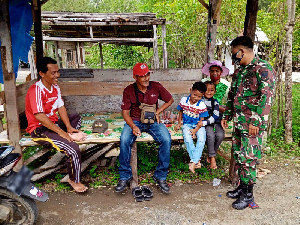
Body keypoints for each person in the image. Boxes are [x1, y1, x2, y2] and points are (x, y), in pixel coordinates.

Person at [221, 36, 276, 210]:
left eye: (234, 53)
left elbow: (266, 97)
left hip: (252, 124)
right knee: (239, 155)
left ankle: (248, 195)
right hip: (239, 122)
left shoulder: (263, 68)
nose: (233, 57)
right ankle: (242, 187)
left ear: (242, 51)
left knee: (249, 158)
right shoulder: (240, 70)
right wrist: (227, 114)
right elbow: (232, 95)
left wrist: (256, 121)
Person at [25, 57, 87, 193]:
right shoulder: (36, 90)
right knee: (73, 149)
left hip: (53, 124)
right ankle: (74, 179)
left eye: (57, 72)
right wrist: (62, 133)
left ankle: (70, 134)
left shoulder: (55, 87)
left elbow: (61, 107)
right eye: (53, 73)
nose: (57, 75)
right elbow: (39, 116)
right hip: (39, 129)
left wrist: (69, 127)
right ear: (42, 73)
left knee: (75, 117)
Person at [116, 63, 174, 193]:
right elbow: (125, 113)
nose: (146, 78)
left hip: (153, 120)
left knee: (166, 139)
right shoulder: (128, 90)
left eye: (148, 74)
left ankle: (161, 176)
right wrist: (133, 126)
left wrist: (158, 112)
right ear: (135, 77)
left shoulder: (156, 86)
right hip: (135, 120)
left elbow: (170, 100)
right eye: (142, 76)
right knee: (124, 139)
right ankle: (125, 176)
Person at [175, 81, 209, 173]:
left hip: (198, 126)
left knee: (202, 139)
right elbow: (180, 111)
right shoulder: (183, 100)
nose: (196, 98)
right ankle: (196, 161)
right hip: (186, 124)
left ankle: (193, 162)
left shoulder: (201, 105)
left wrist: (195, 130)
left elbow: (201, 121)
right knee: (187, 138)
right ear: (190, 91)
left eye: (199, 96)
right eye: (195, 95)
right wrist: (179, 123)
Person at [198, 81, 224, 169]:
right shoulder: (200, 101)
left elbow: (216, 116)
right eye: (206, 90)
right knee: (210, 135)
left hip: (214, 121)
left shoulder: (215, 102)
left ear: (215, 92)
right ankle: (212, 157)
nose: (209, 92)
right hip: (206, 124)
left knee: (220, 135)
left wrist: (205, 122)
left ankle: (211, 154)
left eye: (211, 90)